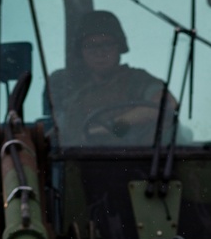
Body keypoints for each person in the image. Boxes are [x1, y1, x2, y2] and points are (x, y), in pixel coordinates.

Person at [50, 9, 173, 146]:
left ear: (119, 47)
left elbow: (167, 105)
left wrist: (115, 125)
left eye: (107, 44)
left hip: (136, 160)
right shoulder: (71, 90)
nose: (100, 53)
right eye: (91, 46)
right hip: (77, 162)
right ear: (81, 52)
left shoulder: (137, 80)